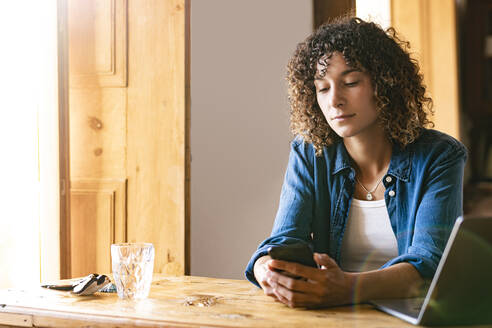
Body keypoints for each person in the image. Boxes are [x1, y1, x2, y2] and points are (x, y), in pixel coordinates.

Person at [244, 16, 467, 308]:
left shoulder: (440, 156)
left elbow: (431, 265)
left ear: (385, 84)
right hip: (330, 315)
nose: (334, 100)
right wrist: (265, 269)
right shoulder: (310, 152)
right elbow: (285, 240)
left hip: (408, 317)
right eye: (322, 88)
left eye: (350, 82)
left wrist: (348, 287)